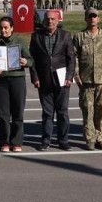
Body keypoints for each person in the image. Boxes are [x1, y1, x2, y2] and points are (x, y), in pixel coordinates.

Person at [29, 11, 76, 150]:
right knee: (47, 113)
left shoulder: (65, 35)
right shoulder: (36, 36)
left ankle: (63, 140)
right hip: (44, 80)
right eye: (47, 19)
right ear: (44, 20)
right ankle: (46, 140)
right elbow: (32, 60)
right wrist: (35, 77)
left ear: (58, 20)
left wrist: (69, 77)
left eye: (53, 19)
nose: (50, 21)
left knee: (62, 112)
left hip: (62, 79)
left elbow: (71, 59)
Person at [72, 8, 102, 150]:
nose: (92, 19)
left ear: (98, 19)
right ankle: (90, 138)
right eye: (90, 17)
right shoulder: (79, 37)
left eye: (95, 16)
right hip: (86, 80)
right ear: (86, 19)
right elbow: (74, 58)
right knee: (87, 111)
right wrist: (76, 75)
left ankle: (100, 138)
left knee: (101, 110)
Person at [0, 15, 31, 152]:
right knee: (3, 114)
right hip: (1, 82)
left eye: (6, 28)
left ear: (12, 28)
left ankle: (17, 142)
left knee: (18, 112)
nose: (3, 30)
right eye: (1, 28)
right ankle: (5, 142)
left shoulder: (20, 41)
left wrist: (26, 62)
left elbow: (31, 60)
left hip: (17, 80)